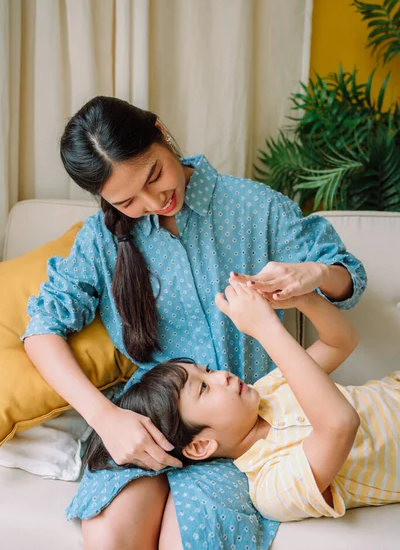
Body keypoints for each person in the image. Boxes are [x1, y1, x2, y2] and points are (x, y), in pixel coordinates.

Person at [22, 96, 367, 550]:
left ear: (161, 133)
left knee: (194, 536)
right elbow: (42, 329)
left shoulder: (254, 207)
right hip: (145, 424)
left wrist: (315, 274)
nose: (154, 201)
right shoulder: (100, 242)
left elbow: (347, 279)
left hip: (243, 428)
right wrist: (105, 417)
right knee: (109, 536)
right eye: (127, 200)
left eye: (154, 175)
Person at [84, 284, 400, 522]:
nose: (221, 376)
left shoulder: (269, 389)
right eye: (204, 389)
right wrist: (265, 328)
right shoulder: (271, 487)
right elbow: (339, 425)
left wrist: (297, 297)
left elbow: (341, 340)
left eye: (207, 371)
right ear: (199, 446)